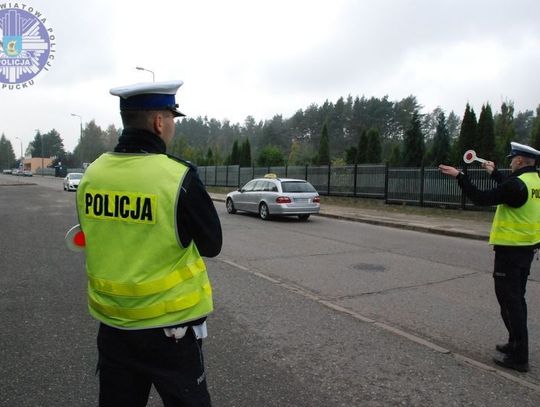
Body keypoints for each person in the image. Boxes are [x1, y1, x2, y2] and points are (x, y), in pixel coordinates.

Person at [76, 80, 222, 406]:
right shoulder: (177, 177)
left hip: (113, 327)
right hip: (170, 332)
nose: (171, 126)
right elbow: (212, 245)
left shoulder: (93, 174)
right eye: (171, 117)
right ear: (159, 122)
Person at [439, 141, 540, 373]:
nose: (511, 162)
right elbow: (512, 191)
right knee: (516, 300)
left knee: (510, 302)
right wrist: (495, 173)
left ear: (520, 161)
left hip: (511, 251)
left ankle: (519, 357)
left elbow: (481, 198)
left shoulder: (517, 185)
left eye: (512, 159)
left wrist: (460, 176)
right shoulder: (533, 181)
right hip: (526, 250)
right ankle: (514, 344)